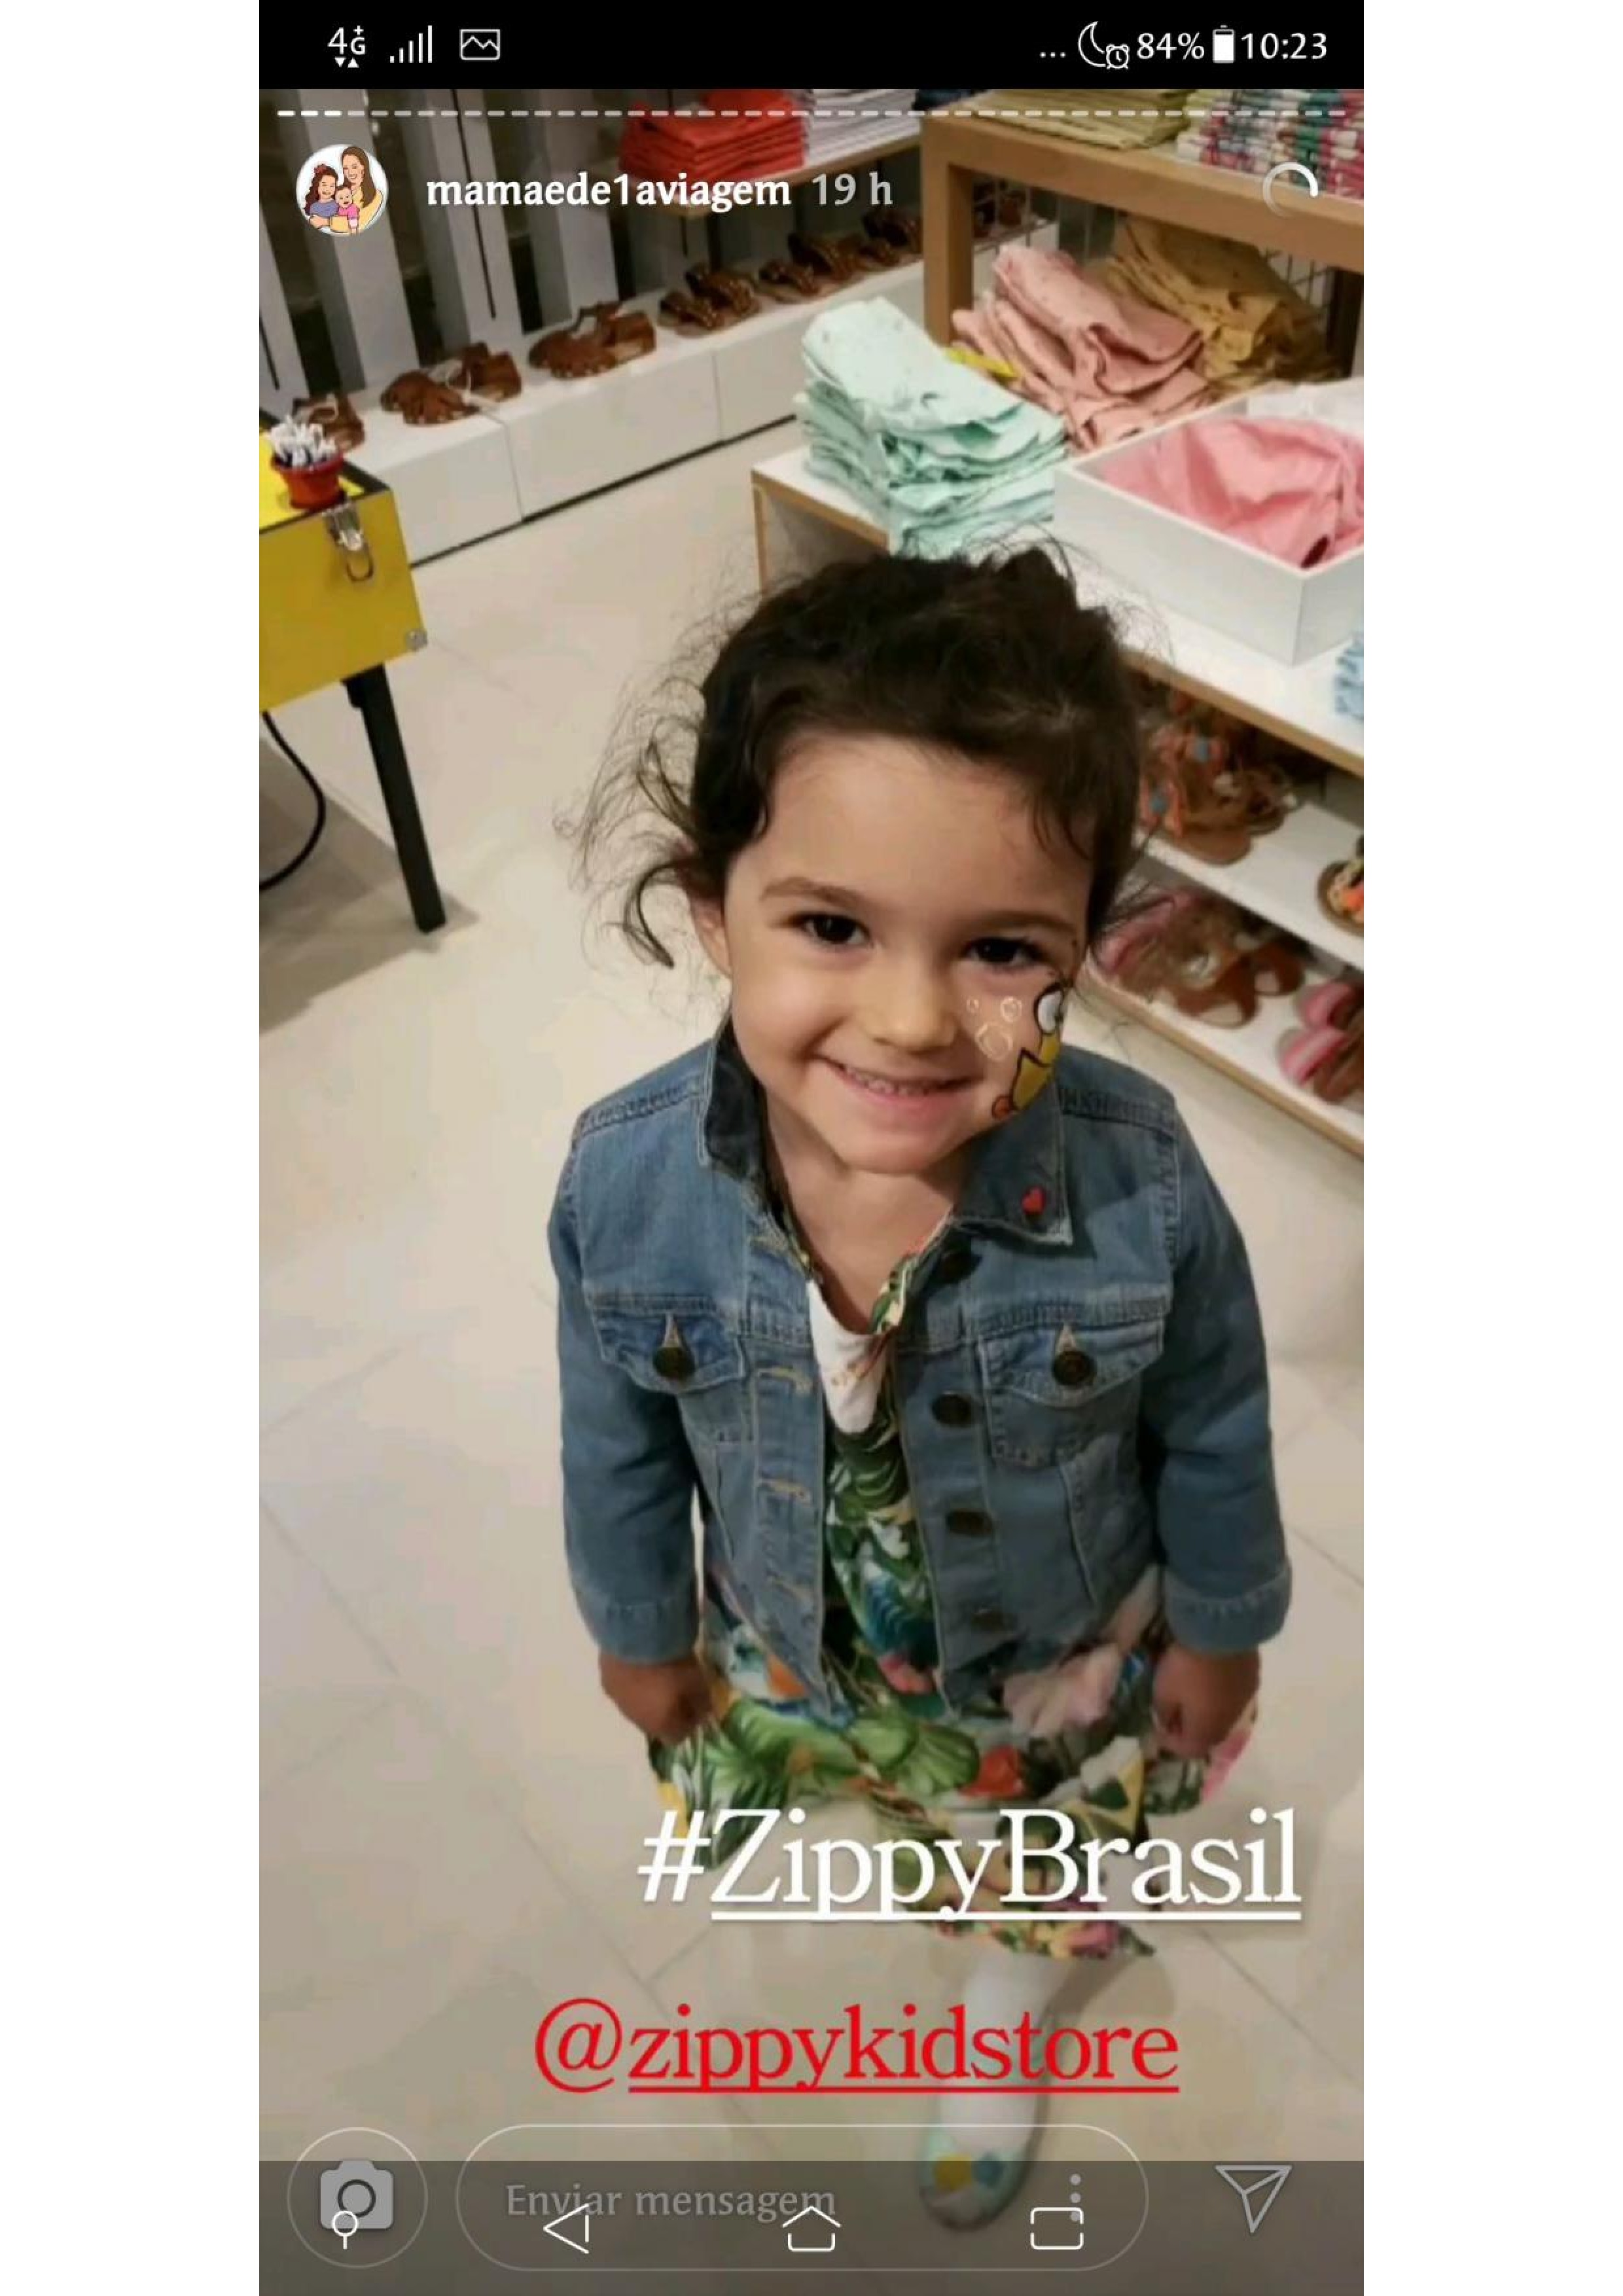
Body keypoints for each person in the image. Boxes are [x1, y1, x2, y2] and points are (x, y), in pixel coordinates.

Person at [547, 548, 1289, 2227]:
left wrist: (1225, 1621)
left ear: (1088, 946)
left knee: (1036, 1860)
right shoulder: (626, 1183)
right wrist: (635, 1625)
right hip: (801, 1634)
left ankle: (1007, 2014)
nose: (909, 1021)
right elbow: (614, 1436)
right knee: (896, 1804)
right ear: (709, 906)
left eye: (1000, 949)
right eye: (830, 926)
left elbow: (1217, 1413)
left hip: (1054, 1654)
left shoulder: (1141, 1182)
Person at [303, 164, 339, 228]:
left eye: (332, 186)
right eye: (324, 185)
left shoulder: (339, 204)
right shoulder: (314, 207)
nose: (328, 189)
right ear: (317, 185)